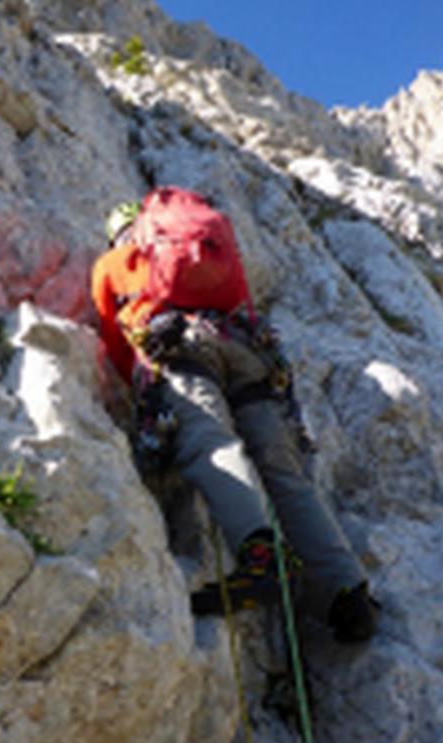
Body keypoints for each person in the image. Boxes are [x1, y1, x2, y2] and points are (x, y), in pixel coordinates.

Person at [91, 190, 377, 643]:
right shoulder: (207, 246)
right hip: (247, 349)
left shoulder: (114, 263)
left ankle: (260, 559)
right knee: (284, 472)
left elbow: (117, 343)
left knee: (209, 443)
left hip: (179, 349)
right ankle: (349, 591)